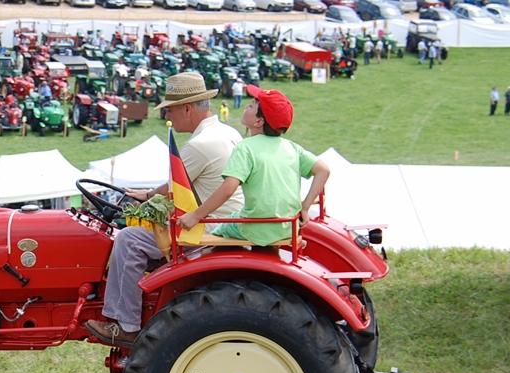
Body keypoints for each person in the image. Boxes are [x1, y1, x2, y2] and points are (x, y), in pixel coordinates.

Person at [83, 72, 244, 348]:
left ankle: (126, 324)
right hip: (226, 220)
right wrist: (147, 195)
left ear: (187, 108)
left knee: (128, 239)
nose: (167, 115)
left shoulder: (201, 144)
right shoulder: (228, 132)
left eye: (169, 109)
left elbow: (172, 188)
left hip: (209, 228)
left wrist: (145, 196)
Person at [179, 86, 330, 248]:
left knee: (215, 235)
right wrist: (305, 208)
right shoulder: (292, 147)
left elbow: (228, 189)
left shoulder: (246, 148)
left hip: (256, 228)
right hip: (287, 227)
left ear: (259, 122)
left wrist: (195, 215)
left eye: (251, 105)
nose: (246, 106)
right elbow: (323, 170)